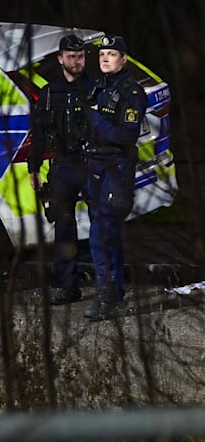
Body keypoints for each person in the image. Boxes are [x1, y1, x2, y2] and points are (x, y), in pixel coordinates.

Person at [82, 34, 146, 321]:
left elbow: (125, 135)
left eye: (111, 54)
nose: (105, 58)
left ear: (124, 59)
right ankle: (115, 295)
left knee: (100, 235)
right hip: (95, 165)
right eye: (102, 54)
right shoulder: (99, 87)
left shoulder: (132, 92)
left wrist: (95, 118)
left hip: (116, 168)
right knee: (109, 235)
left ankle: (106, 298)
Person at [28, 36, 91, 305]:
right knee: (64, 228)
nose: (76, 62)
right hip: (63, 166)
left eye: (80, 56)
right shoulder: (49, 93)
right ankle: (68, 285)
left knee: (102, 224)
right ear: (60, 59)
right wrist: (33, 168)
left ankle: (109, 288)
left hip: (90, 163)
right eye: (71, 56)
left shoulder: (94, 89)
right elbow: (40, 133)